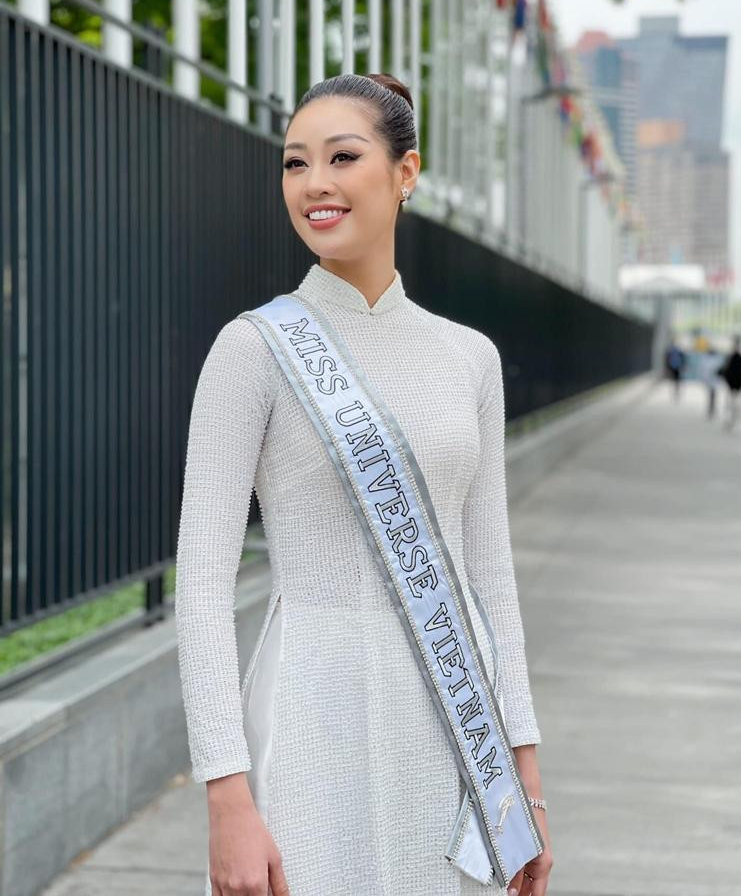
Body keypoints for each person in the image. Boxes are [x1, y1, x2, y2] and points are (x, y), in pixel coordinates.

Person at [174, 73, 554, 896]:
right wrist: (226, 795)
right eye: (295, 163)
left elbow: (490, 575)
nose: (314, 182)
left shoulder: (469, 357)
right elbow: (201, 585)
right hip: (309, 713)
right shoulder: (253, 349)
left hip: (454, 734)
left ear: (405, 171)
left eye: (342, 157)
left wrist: (524, 776)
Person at [717, 336, 741, 429]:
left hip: (733, 382)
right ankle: (733, 416)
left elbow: (726, 370)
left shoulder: (731, 357)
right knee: (735, 400)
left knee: (731, 400)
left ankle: (731, 418)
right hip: (737, 382)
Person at [696, 345, 723, 419]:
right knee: (710, 394)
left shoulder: (717, 359)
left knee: (713, 394)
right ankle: (710, 407)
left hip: (714, 379)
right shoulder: (705, 359)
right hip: (708, 379)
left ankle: (712, 407)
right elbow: (702, 370)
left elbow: (720, 370)